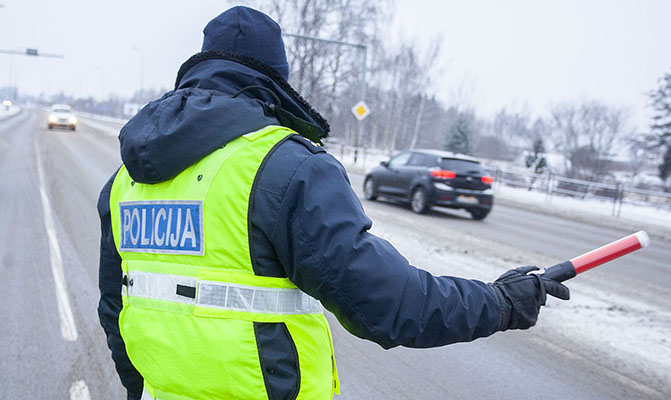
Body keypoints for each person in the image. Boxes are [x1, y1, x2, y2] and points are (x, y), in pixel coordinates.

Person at [97, 6, 569, 400]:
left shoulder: (125, 182)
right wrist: (501, 302)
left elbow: (115, 310)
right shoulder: (285, 168)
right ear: (275, 79)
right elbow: (388, 304)